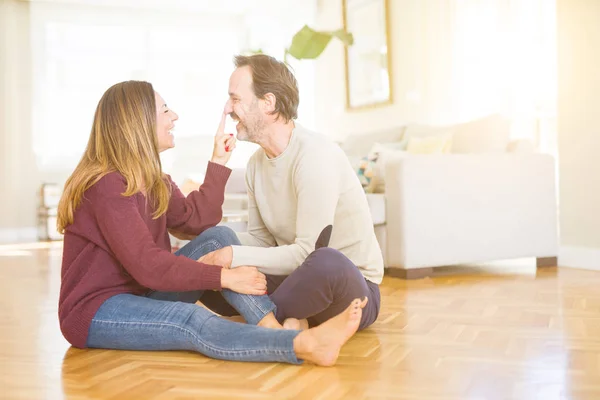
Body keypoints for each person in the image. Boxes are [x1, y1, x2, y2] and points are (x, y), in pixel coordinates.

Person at [56, 80, 367, 366]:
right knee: (191, 319)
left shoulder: (155, 181)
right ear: (136, 122)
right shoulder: (107, 185)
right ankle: (301, 344)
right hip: (97, 310)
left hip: (143, 293)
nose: (174, 116)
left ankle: (272, 327)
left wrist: (218, 162)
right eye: (165, 110)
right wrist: (223, 277)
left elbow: (198, 221)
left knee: (219, 236)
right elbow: (148, 265)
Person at [198, 54, 384, 331]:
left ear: (268, 103)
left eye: (235, 98)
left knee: (326, 261)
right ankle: (284, 319)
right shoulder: (255, 165)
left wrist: (230, 256)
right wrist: (215, 248)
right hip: (293, 280)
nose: (227, 108)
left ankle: (264, 317)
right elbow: (262, 240)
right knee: (213, 243)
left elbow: (306, 253)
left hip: (349, 288)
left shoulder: (314, 154)